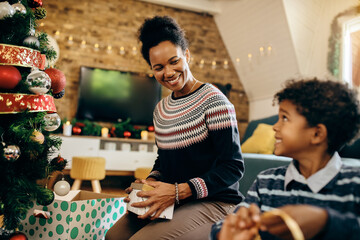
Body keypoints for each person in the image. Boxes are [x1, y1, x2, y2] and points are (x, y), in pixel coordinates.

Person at [105, 16, 244, 240]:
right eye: (158, 67)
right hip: (173, 198)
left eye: (174, 61)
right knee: (113, 236)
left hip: (215, 202)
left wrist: (179, 192)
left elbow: (233, 167)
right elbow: (164, 159)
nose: (168, 72)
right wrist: (152, 180)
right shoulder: (161, 109)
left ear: (187, 55)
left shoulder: (214, 101)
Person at [210, 78, 360, 240]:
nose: (275, 126)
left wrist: (325, 221)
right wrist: (228, 231)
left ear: (317, 134)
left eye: (285, 118)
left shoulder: (354, 183)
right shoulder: (266, 181)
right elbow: (225, 224)